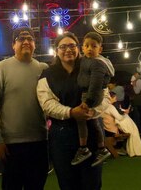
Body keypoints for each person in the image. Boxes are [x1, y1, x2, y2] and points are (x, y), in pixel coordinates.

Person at [37, 32, 103, 190]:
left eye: (72, 45)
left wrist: (91, 111)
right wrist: (71, 112)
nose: (68, 49)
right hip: (62, 136)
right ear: (56, 50)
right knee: (67, 183)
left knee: (92, 182)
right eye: (63, 46)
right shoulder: (48, 74)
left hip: (91, 132)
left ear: (78, 48)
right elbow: (46, 103)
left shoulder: (92, 66)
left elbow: (104, 95)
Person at [0, 28, 48, 190]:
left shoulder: (43, 69)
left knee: (36, 186)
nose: (26, 42)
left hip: (39, 142)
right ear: (13, 45)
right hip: (11, 145)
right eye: (21, 39)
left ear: (35, 44)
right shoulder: (1, 68)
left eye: (30, 39)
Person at [71, 32, 113, 167]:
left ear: (100, 49)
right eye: (87, 46)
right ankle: (101, 148)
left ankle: (84, 147)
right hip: (89, 93)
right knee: (94, 121)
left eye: (94, 46)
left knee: (81, 119)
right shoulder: (85, 60)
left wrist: (88, 102)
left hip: (90, 94)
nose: (90, 49)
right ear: (82, 47)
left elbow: (95, 85)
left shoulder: (97, 64)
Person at [101, 92, 141, 158]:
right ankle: (135, 151)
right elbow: (119, 118)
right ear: (109, 98)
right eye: (114, 98)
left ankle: (130, 150)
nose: (116, 99)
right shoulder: (110, 107)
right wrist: (125, 113)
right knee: (133, 131)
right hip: (112, 130)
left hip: (106, 129)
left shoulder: (102, 107)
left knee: (132, 129)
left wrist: (123, 112)